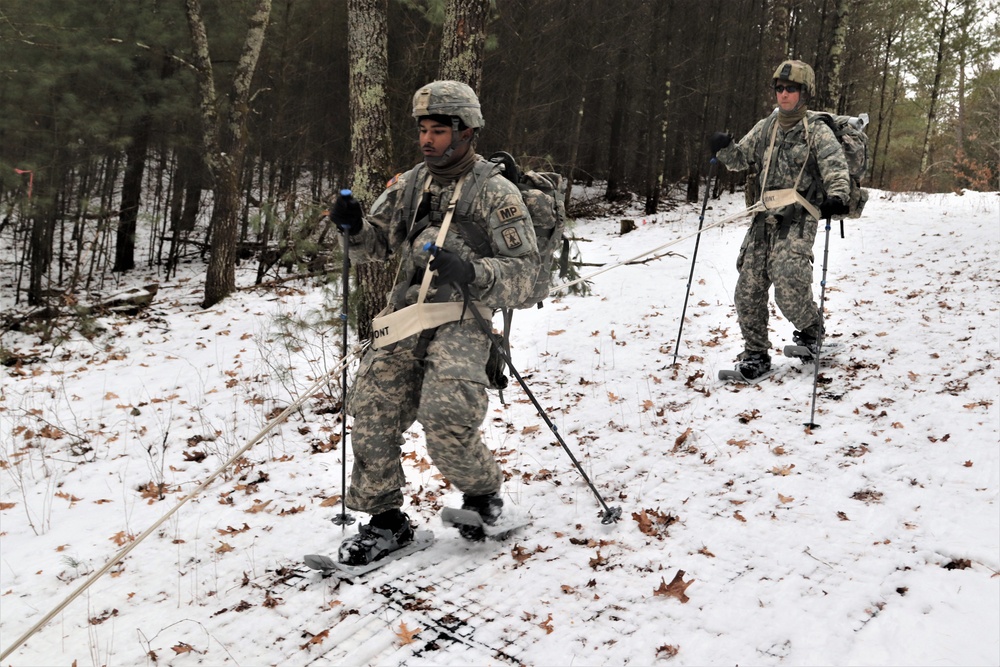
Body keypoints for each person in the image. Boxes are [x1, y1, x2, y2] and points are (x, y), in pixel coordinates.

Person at [329, 80, 539, 565]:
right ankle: (386, 521)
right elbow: (374, 245)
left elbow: (527, 276)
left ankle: (483, 496)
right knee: (372, 415)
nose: (427, 139)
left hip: (463, 318)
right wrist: (353, 226)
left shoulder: (496, 193)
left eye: (438, 131)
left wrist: (473, 271)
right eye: (423, 130)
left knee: (446, 416)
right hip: (406, 317)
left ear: (466, 132)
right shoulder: (408, 185)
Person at [709, 59, 850, 379]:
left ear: (805, 92)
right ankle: (755, 353)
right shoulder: (766, 127)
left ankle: (811, 331)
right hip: (763, 218)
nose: (784, 94)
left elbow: (835, 168)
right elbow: (740, 159)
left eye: (791, 89)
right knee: (748, 289)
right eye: (779, 88)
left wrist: (837, 196)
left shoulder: (816, 130)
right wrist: (724, 148)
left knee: (788, 282)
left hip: (798, 217)